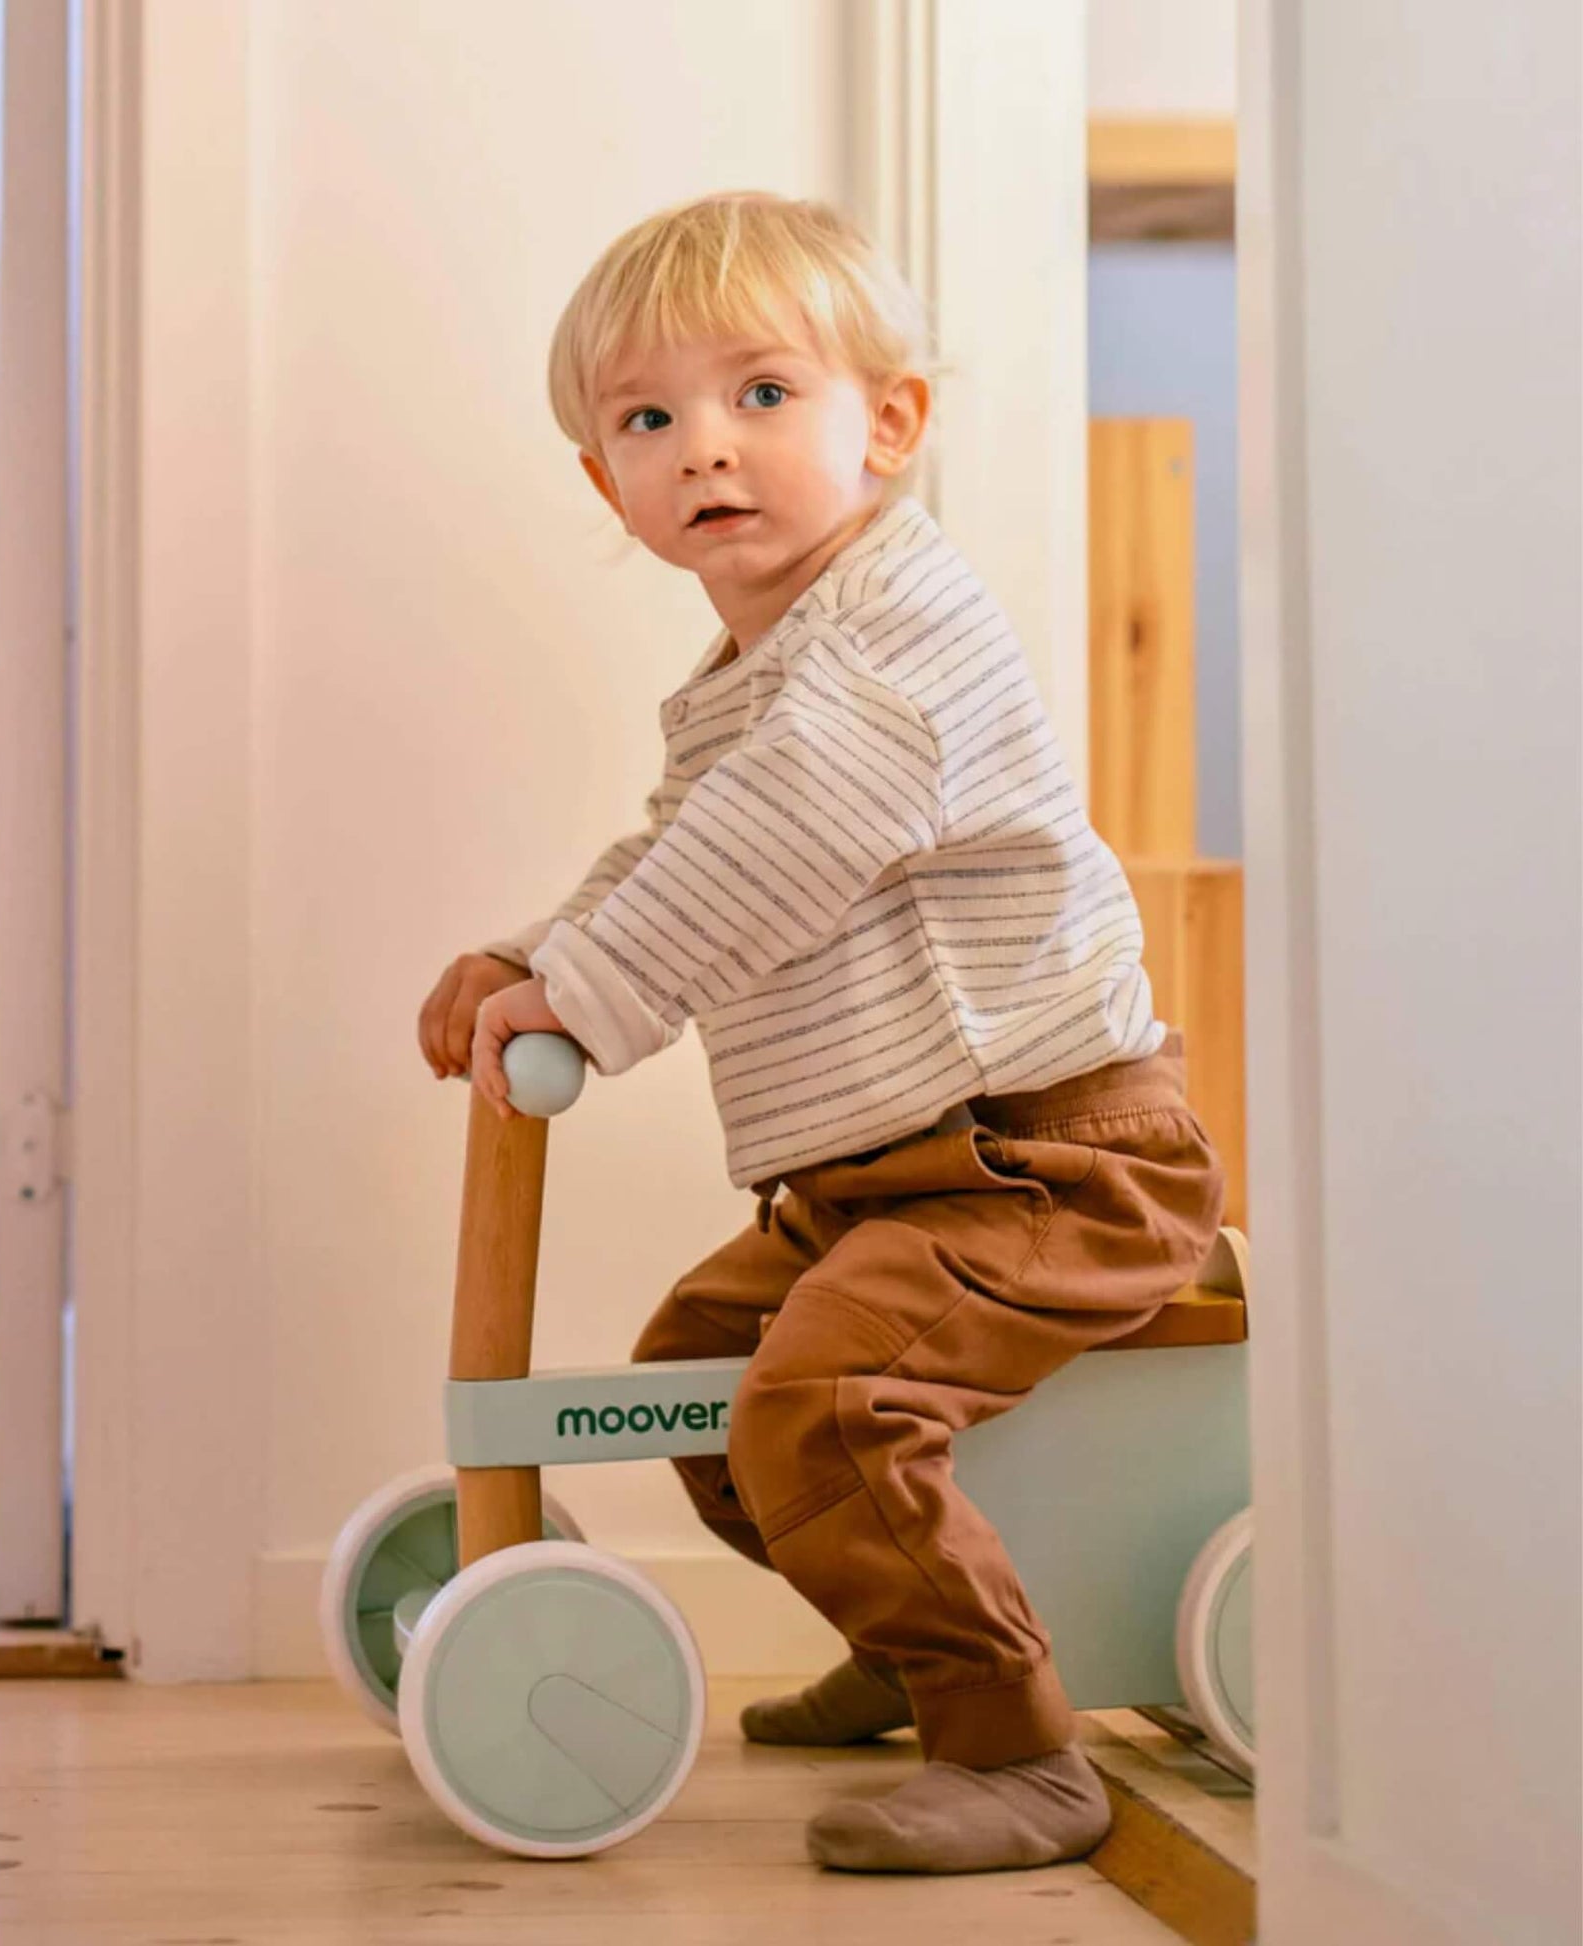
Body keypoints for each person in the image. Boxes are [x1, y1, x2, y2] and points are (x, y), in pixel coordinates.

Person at [416, 190, 1225, 1875]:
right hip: (891, 1182)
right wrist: (529, 946)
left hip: (1047, 1159)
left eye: (761, 394)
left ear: (889, 423)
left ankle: (1017, 1752)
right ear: (604, 485)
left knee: (823, 1397)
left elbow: (765, 846)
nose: (704, 448)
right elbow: (680, 837)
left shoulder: (894, 648)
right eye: (648, 420)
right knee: (706, 1388)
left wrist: (586, 994)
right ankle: (905, 1632)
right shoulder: (762, 660)